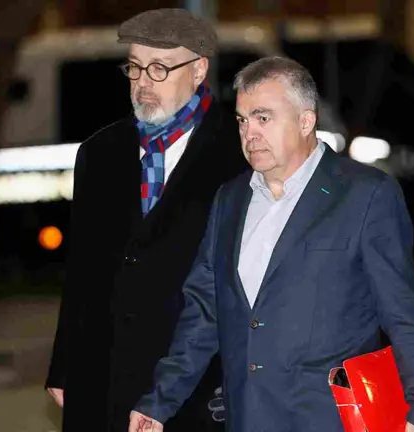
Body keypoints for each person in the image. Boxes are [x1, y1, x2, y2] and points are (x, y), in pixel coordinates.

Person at [128, 56, 414, 432]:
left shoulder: (365, 195)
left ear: (305, 120)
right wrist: (159, 402)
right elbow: (204, 313)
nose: (250, 133)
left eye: (263, 118)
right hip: (246, 417)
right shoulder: (229, 201)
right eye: (242, 120)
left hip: (333, 419)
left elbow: (404, 314)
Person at [45, 8, 249, 431]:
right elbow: (82, 269)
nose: (143, 83)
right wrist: (64, 368)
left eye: (159, 68)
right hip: (104, 375)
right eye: (135, 68)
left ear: (198, 70)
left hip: (199, 384)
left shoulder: (240, 153)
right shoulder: (99, 152)